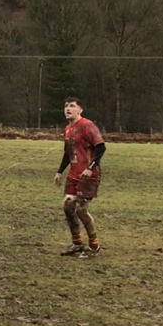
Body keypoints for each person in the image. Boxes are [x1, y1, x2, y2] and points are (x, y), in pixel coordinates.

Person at [54, 97, 106, 258]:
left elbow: (101, 147)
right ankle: (77, 243)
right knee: (68, 207)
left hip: (88, 175)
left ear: (80, 110)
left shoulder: (87, 125)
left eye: (72, 106)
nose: (68, 109)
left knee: (81, 210)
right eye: (66, 106)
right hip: (73, 174)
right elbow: (67, 153)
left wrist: (90, 168)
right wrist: (60, 171)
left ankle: (94, 246)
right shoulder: (68, 129)